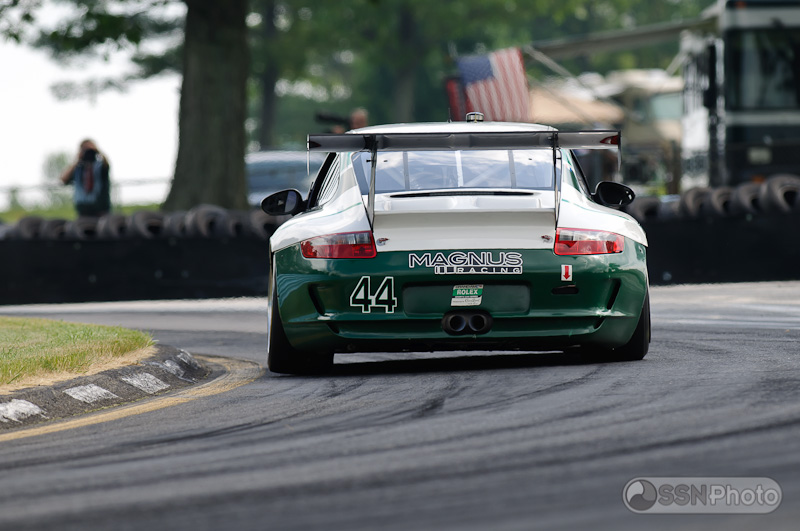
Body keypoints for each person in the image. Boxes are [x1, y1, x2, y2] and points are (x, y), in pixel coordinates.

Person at [60, 139, 111, 217]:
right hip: (83, 211)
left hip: (101, 210)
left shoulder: (100, 166)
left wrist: (96, 150)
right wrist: (77, 160)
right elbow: (63, 179)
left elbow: (106, 164)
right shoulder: (78, 169)